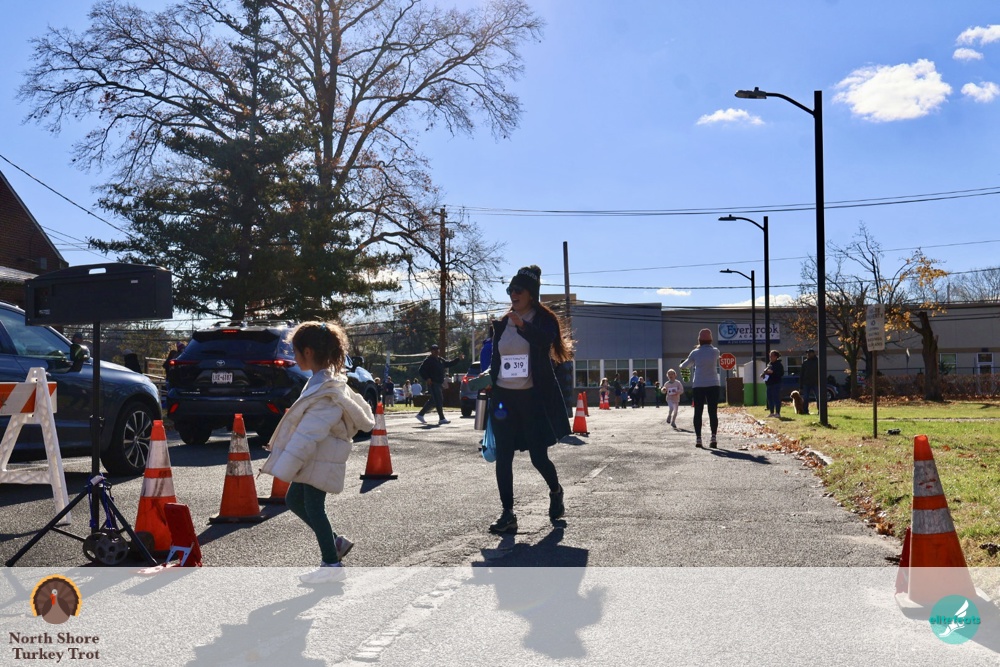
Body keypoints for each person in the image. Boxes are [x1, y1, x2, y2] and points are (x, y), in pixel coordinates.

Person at [260, 321, 375, 584]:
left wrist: (286, 464)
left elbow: (309, 433)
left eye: (295, 351)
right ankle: (334, 543)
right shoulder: (323, 383)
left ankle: (331, 564)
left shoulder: (325, 391)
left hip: (320, 458)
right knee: (294, 500)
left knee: (313, 506)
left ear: (308, 352)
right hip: (318, 457)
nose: (293, 356)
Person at [487, 265, 573, 534]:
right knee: (503, 456)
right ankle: (507, 513)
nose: (513, 294)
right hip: (504, 399)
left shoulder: (543, 319)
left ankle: (556, 490)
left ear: (531, 294)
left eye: (518, 290)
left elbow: (544, 341)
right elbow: (497, 359)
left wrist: (523, 325)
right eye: (510, 290)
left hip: (532, 399)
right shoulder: (503, 323)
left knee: (538, 457)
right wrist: (486, 377)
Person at [679, 328, 721, 448]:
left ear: (699, 340)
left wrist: (681, 364)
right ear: (711, 339)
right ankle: (713, 437)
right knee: (713, 412)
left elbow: (684, 366)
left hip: (698, 384)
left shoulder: (695, 353)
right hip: (713, 384)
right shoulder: (715, 351)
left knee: (698, 412)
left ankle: (698, 439)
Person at [415, 344, 464, 425]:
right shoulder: (428, 360)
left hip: (439, 383)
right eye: (434, 350)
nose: (436, 351)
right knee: (439, 400)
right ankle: (441, 418)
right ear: (431, 351)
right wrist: (427, 378)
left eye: (437, 350)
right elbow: (421, 370)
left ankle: (420, 414)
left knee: (433, 400)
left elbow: (449, 364)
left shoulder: (440, 360)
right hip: (433, 382)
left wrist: (458, 359)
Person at [762, 350, 785, 418]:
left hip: (776, 383)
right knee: (769, 398)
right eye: (770, 356)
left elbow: (781, 373)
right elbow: (766, 372)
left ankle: (777, 413)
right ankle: (771, 412)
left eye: (772, 356)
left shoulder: (779, 365)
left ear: (776, 357)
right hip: (769, 383)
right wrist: (763, 374)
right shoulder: (769, 364)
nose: (770, 357)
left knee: (776, 398)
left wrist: (773, 372)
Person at [799, 348, 819, 415]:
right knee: (806, 398)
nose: (808, 354)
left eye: (809, 353)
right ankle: (805, 411)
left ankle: (820, 410)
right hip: (806, 383)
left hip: (816, 382)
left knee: (818, 397)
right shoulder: (805, 362)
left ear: (813, 353)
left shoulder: (817, 361)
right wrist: (801, 386)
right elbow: (802, 374)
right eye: (807, 353)